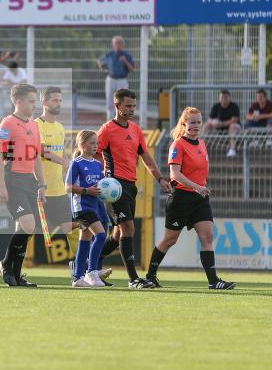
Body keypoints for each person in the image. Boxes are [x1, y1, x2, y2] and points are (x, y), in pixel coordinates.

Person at [145, 107, 235, 290]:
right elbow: (174, 174)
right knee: (170, 239)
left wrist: (199, 188)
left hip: (199, 199)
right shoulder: (177, 145)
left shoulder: (202, 144)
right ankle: (150, 275)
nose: (195, 125)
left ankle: (213, 281)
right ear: (184, 124)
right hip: (181, 199)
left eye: (198, 122)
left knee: (207, 237)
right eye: (192, 122)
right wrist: (197, 187)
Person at [96, 88, 172, 289]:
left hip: (130, 186)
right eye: (128, 106)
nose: (131, 109)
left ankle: (90, 263)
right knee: (128, 228)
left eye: (133, 106)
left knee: (118, 234)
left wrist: (160, 179)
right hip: (113, 186)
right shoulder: (106, 130)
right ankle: (133, 279)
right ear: (117, 105)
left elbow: (146, 157)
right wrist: (99, 177)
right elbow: (92, 153)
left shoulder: (136, 130)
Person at [0, 83, 46, 287]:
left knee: (27, 229)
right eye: (32, 101)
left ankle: (15, 274)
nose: (35, 105)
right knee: (27, 224)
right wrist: (1, 185)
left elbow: (36, 159)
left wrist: (42, 185)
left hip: (29, 181)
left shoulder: (34, 125)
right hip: (12, 178)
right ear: (18, 101)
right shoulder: (7, 124)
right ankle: (6, 264)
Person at [34, 86, 76, 264]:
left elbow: (63, 153)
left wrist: (71, 169)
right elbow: (42, 151)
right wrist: (64, 162)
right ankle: (7, 263)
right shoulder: (36, 125)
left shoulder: (59, 127)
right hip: (41, 189)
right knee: (28, 231)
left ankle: (81, 271)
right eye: (54, 100)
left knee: (70, 229)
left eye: (60, 100)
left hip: (59, 190)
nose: (59, 104)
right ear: (44, 102)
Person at [65, 130, 109, 288]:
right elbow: (68, 187)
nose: (95, 146)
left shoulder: (98, 165)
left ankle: (77, 278)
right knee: (101, 235)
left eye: (96, 143)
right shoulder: (76, 163)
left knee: (85, 240)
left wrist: (108, 188)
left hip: (93, 206)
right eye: (91, 143)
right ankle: (91, 272)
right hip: (81, 207)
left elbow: (101, 187)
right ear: (82, 145)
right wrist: (86, 191)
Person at [97, 36, 134, 119]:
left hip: (122, 80)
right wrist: (102, 69)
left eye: (120, 43)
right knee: (110, 101)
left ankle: (123, 120)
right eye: (116, 43)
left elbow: (132, 69)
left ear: (123, 45)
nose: (118, 45)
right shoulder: (110, 54)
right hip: (111, 79)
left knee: (124, 101)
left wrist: (125, 61)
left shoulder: (127, 55)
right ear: (113, 45)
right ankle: (110, 121)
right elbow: (100, 61)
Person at [203, 90, 242, 157]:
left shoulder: (234, 106)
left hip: (233, 127)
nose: (224, 99)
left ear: (229, 98)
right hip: (219, 126)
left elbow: (235, 120)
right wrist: (213, 122)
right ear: (219, 98)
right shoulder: (216, 106)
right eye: (222, 97)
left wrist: (222, 124)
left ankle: (232, 150)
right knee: (206, 126)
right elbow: (209, 119)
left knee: (233, 126)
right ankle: (202, 149)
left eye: (225, 97)